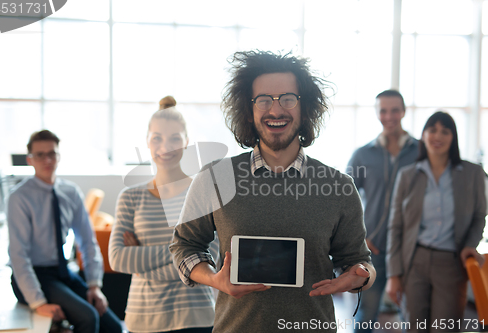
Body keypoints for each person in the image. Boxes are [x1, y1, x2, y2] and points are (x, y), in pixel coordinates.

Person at [169, 51, 376, 333]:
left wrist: (361, 276)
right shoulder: (215, 177)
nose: (276, 110)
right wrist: (215, 279)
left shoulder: (339, 186)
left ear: (305, 109)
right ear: (249, 109)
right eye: (263, 100)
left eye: (288, 99)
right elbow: (184, 246)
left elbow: (358, 262)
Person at [109, 97, 218, 333]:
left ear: (186, 142)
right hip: (143, 318)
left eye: (175, 138)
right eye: (157, 138)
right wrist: (187, 254)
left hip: (196, 318)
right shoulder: (130, 197)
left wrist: (141, 265)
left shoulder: (203, 193)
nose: (165, 146)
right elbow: (117, 258)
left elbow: (213, 258)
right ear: (147, 142)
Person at [7, 130, 122, 333]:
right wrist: (38, 302)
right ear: (29, 160)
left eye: (52, 153)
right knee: (88, 317)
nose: (47, 159)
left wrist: (94, 285)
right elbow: (18, 255)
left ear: (59, 156)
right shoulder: (19, 197)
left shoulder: (70, 192)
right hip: (34, 275)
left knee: (112, 327)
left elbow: (87, 241)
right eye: (40, 154)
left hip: (62, 272)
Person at [386, 111, 487, 332]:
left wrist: (471, 243)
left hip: (451, 263)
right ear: (423, 135)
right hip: (414, 261)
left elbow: (480, 215)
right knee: (414, 327)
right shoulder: (407, 175)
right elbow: (396, 227)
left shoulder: (473, 173)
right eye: (432, 130)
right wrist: (394, 275)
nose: (437, 136)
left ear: (453, 137)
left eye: (445, 131)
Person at [346, 89, 419, 331]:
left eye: (395, 110)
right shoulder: (362, 155)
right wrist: (360, 238)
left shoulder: (421, 152)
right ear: (377, 113)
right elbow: (344, 202)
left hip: (411, 250)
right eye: (383, 111)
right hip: (372, 250)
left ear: (404, 112)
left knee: (414, 319)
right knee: (365, 315)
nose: (389, 116)